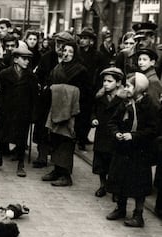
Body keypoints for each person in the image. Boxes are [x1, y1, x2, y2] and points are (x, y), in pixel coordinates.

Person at [106, 72, 158, 227]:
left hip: (139, 152)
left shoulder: (149, 106)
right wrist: (117, 133)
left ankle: (138, 214)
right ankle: (120, 208)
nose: (126, 89)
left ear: (139, 88)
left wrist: (133, 136)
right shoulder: (124, 104)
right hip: (123, 150)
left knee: (138, 184)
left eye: (129, 86)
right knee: (120, 179)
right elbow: (112, 122)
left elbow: (153, 130)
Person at [42, 41, 88, 187]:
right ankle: (56, 170)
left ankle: (66, 175)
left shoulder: (81, 70)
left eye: (71, 52)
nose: (67, 54)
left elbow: (84, 93)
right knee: (54, 139)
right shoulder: (57, 68)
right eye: (65, 51)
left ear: (75, 55)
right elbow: (49, 83)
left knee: (66, 142)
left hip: (71, 113)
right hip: (55, 109)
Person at [0, 47, 37, 177]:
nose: (27, 62)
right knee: (1, 135)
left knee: (21, 138)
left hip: (23, 112)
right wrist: (0, 108)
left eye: (28, 59)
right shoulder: (5, 74)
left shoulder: (31, 76)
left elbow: (33, 97)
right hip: (6, 111)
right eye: (24, 59)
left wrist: (32, 114)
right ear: (15, 59)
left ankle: (20, 164)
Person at [33, 31, 74, 168]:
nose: (59, 46)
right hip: (46, 98)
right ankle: (42, 155)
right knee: (42, 126)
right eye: (57, 43)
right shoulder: (46, 58)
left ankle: (57, 160)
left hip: (63, 101)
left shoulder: (73, 61)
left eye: (63, 44)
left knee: (59, 130)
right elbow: (38, 75)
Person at [0, 18, 25, 153]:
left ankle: (11, 142)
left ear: (9, 28)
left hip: (15, 82)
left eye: (3, 28)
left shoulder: (21, 44)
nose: (0, 31)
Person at [91, 68, 125, 198]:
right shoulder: (100, 97)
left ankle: (114, 189)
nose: (105, 84)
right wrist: (93, 119)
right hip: (101, 133)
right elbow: (93, 110)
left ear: (118, 83)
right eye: (104, 81)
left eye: (109, 81)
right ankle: (103, 185)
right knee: (101, 163)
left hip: (114, 135)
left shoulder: (122, 99)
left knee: (114, 164)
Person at [76, 27, 106, 151]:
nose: (82, 41)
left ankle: (83, 138)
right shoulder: (77, 53)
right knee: (79, 114)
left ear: (91, 41)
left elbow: (102, 72)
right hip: (79, 88)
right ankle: (78, 137)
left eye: (85, 38)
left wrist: (101, 88)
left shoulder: (98, 55)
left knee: (88, 114)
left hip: (92, 89)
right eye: (81, 38)